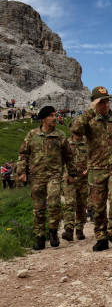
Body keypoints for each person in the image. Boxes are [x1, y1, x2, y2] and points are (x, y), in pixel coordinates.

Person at [70, 86, 112, 252]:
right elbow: (75, 129)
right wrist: (90, 111)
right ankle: (101, 237)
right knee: (98, 206)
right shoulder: (89, 120)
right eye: (101, 102)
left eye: (107, 101)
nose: (106, 105)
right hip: (97, 168)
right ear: (95, 103)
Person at [17, 106, 76, 250]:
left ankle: (53, 232)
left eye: (55, 115)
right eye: (51, 115)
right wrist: (21, 172)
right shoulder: (32, 134)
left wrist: (72, 173)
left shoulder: (60, 135)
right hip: (36, 176)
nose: (55, 118)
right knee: (39, 208)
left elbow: (68, 156)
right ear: (43, 119)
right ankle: (40, 237)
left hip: (54, 176)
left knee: (55, 202)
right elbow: (23, 154)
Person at [62, 129, 89, 241]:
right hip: (69, 179)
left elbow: (94, 156)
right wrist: (65, 174)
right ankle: (69, 229)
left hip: (84, 179)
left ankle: (79, 229)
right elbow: (61, 160)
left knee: (81, 205)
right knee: (70, 203)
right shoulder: (65, 143)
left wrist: (89, 168)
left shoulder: (88, 143)